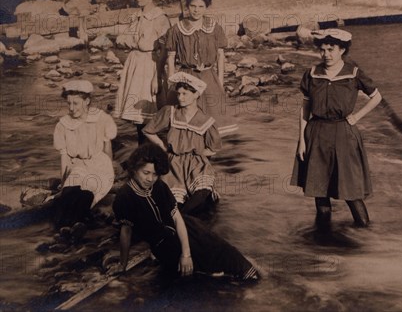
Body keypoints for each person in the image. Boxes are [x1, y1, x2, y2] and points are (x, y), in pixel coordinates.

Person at [112, 143, 258, 280]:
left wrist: (186, 254)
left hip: (189, 231)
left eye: (155, 174)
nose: (150, 179)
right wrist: (122, 265)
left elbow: (176, 218)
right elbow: (126, 231)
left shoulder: (159, 186)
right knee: (205, 275)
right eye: (146, 173)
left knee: (234, 261)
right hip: (165, 247)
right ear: (133, 169)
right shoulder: (124, 197)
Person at [291, 28, 382, 228]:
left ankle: (364, 236)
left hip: (344, 135)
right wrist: (302, 142)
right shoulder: (312, 74)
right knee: (319, 192)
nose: (326, 55)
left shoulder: (354, 73)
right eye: (322, 50)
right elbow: (305, 108)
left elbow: (376, 97)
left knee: (351, 192)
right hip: (316, 134)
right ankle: (323, 239)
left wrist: (356, 116)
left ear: (342, 50)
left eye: (331, 50)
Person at [143, 72, 221, 217]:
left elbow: (214, 148)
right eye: (178, 94)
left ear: (196, 94)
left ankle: (182, 218)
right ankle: (178, 219)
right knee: (174, 201)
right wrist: (162, 145)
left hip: (197, 163)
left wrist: (201, 153)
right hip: (174, 163)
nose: (180, 98)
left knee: (203, 191)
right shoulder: (170, 112)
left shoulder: (206, 120)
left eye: (185, 94)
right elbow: (148, 131)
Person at [165, 0, 238, 136]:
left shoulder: (215, 28)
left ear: (206, 7)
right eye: (193, 6)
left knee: (211, 121)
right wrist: (171, 83)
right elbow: (170, 58)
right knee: (186, 120)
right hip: (186, 77)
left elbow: (220, 55)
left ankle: (207, 156)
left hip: (208, 77)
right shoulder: (176, 29)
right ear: (187, 6)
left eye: (201, 6)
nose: (196, 10)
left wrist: (220, 82)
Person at [53, 80, 117, 238]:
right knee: (68, 193)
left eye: (76, 103)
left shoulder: (101, 119)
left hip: (99, 164)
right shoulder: (63, 125)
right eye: (69, 103)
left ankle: (76, 226)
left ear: (87, 101)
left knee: (86, 194)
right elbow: (65, 158)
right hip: (78, 165)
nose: (71, 108)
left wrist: (111, 172)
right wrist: (63, 183)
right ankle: (66, 227)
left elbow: (107, 149)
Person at [113, 0, 171, 144]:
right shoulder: (136, 17)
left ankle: (157, 155)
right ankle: (143, 156)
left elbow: (164, 51)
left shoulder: (160, 18)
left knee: (150, 115)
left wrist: (157, 77)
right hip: (135, 65)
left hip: (150, 66)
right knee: (138, 118)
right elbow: (124, 40)